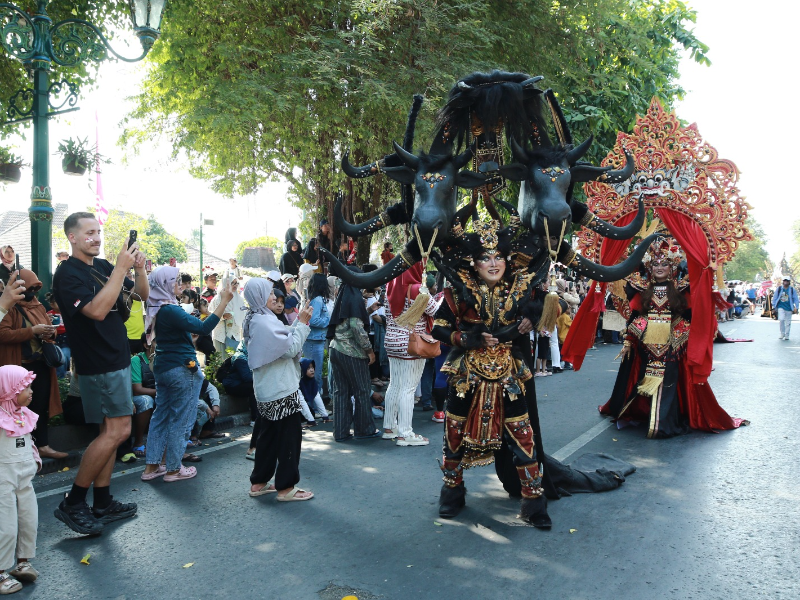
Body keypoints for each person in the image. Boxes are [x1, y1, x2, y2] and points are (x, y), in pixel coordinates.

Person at [430, 219, 549, 527]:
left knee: (523, 435)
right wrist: (466, 339)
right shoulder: (458, 289)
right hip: (467, 372)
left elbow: (551, 304)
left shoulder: (520, 286)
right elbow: (440, 328)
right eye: (485, 257)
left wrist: (530, 318)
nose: (493, 263)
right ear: (474, 261)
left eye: (498, 256)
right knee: (453, 433)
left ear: (507, 259)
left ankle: (534, 503)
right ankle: (452, 493)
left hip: (509, 371)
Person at [51, 212, 149, 535]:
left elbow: (141, 297)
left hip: (116, 358)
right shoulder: (67, 274)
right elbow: (95, 310)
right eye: (89, 233)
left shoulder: (104, 267)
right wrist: (120, 269)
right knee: (118, 431)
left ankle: (103, 501)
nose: (96, 237)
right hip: (98, 363)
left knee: (110, 431)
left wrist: (136, 268)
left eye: (98, 232)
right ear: (72, 238)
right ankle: (74, 501)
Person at [600, 237, 748, 438]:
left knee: (669, 379)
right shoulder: (641, 287)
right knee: (643, 378)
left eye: (664, 264)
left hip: (674, 343)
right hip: (646, 343)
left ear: (672, 266)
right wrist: (630, 340)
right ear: (649, 267)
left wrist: (679, 337)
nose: (659, 267)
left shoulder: (681, 287)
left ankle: (664, 422)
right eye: (655, 264)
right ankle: (645, 413)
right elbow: (635, 316)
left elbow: (690, 315)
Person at [140, 267, 233, 483]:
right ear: (165, 284)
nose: (179, 285)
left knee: (161, 416)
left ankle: (152, 466)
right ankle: (173, 468)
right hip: (181, 367)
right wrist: (224, 301)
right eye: (175, 281)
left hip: (164, 367)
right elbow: (203, 327)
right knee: (181, 417)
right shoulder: (171, 310)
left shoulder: (159, 307)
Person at [243, 277, 314, 501]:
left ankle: (259, 482)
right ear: (259, 296)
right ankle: (286, 488)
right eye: (269, 293)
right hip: (280, 389)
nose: (274, 297)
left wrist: (298, 324)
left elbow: (282, 337)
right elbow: (290, 348)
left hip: (267, 388)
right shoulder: (264, 322)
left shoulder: (256, 317)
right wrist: (302, 324)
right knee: (289, 437)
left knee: (268, 437)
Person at [0, 269, 66, 460]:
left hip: (41, 364)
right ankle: (19, 449)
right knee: (17, 407)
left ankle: (42, 445)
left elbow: (49, 328)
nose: (34, 292)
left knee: (40, 405)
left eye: (36, 288)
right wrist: (32, 331)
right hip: (18, 367)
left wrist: (49, 332)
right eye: (31, 288)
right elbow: (2, 334)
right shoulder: (8, 307)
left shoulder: (37, 306)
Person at [382, 262, 439, 446]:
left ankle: (390, 427)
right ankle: (405, 433)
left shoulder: (390, 288)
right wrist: (442, 298)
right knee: (409, 388)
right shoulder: (418, 290)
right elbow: (437, 312)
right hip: (411, 343)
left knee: (394, 384)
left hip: (391, 341)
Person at [0, 366, 41, 594]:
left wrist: (35, 460)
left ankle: (22, 561)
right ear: (8, 389)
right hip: (2, 480)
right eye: (25, 387)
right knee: (4, 525)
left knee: (28, 519)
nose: (31, 391)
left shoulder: (24, 414)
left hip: (25, 478)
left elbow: (28, 440)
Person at [326, 270, 379, 441]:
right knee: (362, 390)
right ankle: (364, 429)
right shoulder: (354, 296)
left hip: (335, 349)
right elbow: (356, 327)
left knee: (340, 392)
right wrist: (369, 350)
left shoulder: (342, 294)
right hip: (351, 352)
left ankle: (340, 432)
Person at [302, 274, 331, 393]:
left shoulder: (314, 299)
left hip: (313, 341)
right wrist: (329, 320)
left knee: (314, 374)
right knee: (315, 375)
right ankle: (314, 405)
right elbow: (313, 320)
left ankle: (314, 404)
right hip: (314, 341)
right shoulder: (318, 300)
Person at [130, 335, 156, 458]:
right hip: (137, 398)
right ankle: (138, 442)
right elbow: (137, 389)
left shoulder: (162, 359)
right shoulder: (137, 360)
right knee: (146, 401)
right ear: (146, 345)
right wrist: (161, 392)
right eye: (157, 342)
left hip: (157, 394)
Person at [209, 275, 245, 353]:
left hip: (235, 334)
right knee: (222, 361)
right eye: (233, 283)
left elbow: (243, 315)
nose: (235, 285)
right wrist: (223, 316)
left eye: (236, 283)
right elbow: (211, 315)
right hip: (221, 335)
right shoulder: (218, 298)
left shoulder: (239, 299)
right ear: (226, 284)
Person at [298, 358, 330, 425]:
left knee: (311, 412)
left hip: (302, 409)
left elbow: (317, 396)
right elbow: (301, 402)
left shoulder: (312, 381)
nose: (312, 370)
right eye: (308, 368)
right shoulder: (298, 382)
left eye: (312, 367)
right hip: (295, 408)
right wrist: (311, 420)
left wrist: (325, 416)